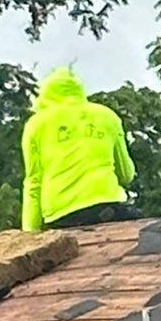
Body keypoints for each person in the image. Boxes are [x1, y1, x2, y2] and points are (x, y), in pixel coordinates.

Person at [21, 67, 136, 233]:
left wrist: (30, 232)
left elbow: (33, 183)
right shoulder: (107, 116)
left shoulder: (36, 125)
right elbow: (126, 175)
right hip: (108, 209)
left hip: (61, 216)